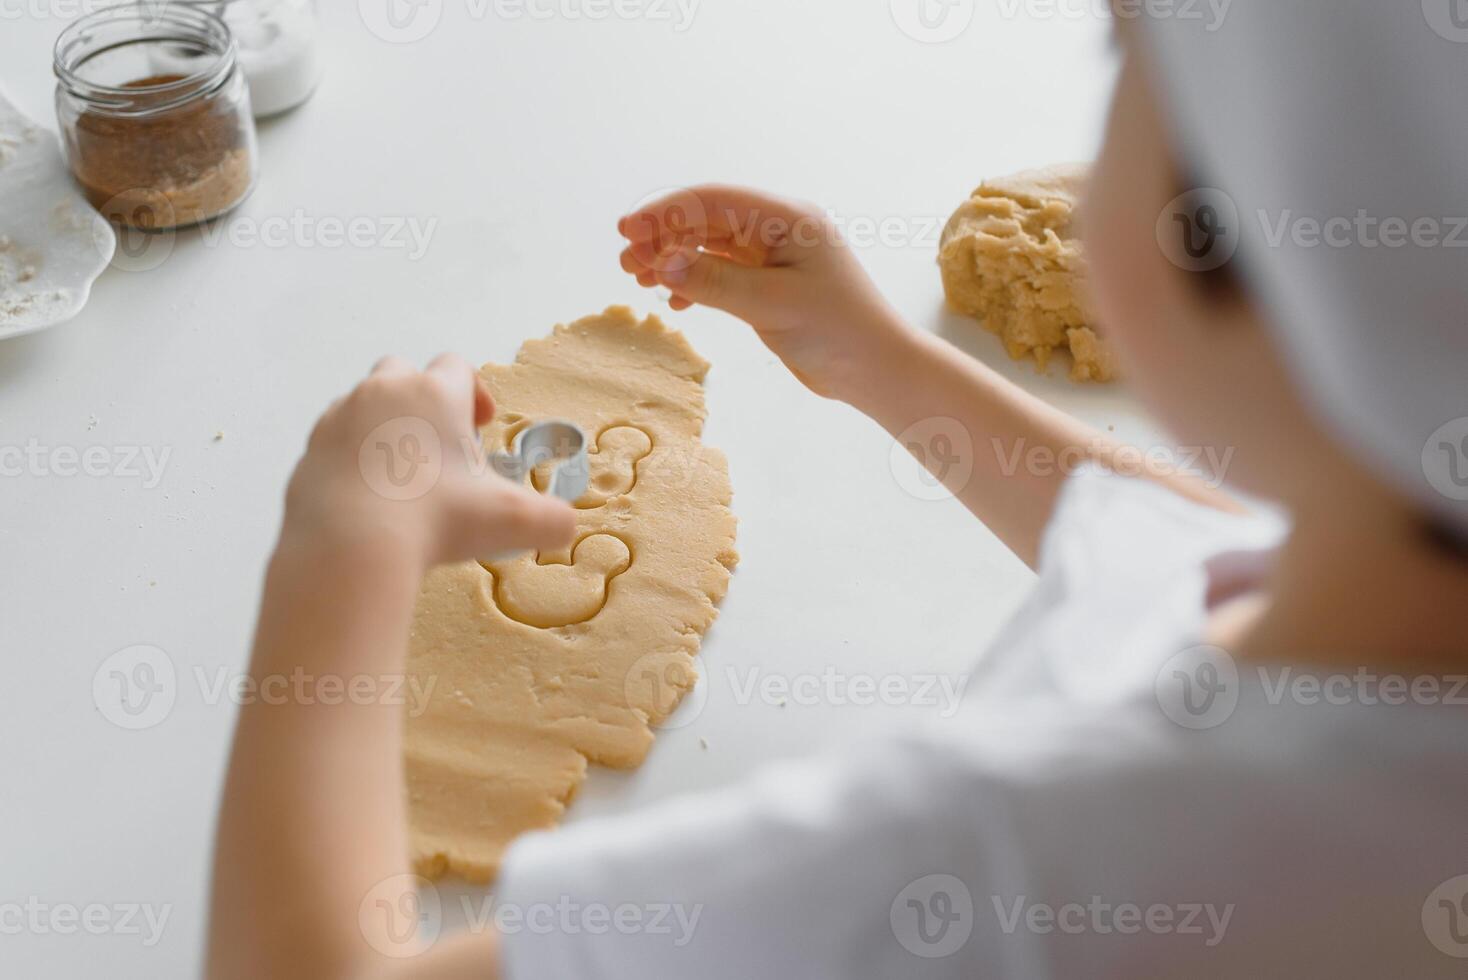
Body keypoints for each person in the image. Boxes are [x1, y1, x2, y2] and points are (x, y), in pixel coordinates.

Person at [206, 2, 1468, 976]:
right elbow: (1183, 562)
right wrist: (887, 362)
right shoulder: (1398, 616)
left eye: (1120, 45)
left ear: (1233, 242)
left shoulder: (990, 859)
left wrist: (339, 550)